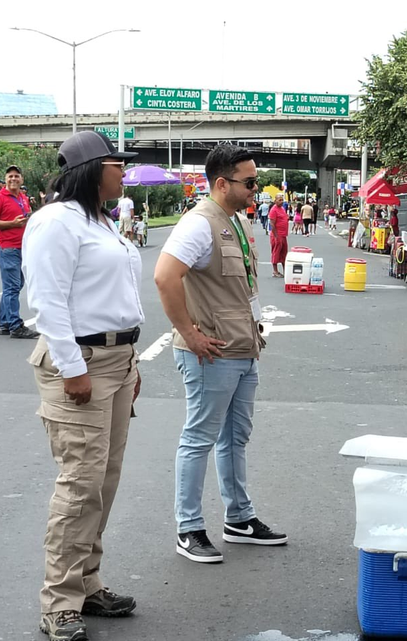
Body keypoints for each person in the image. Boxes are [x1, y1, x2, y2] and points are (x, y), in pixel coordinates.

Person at [22, 130, 143, 641]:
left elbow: (114, 293)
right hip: (81, 362)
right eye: (118, 164)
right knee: (79, 486)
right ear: (91, 169)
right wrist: (73, 368)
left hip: (115, 360)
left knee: (104, 480)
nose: (124, 172)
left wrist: (131, 362)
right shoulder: (55, 222)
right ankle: (60, 603)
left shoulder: (102, 222)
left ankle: (88, 584)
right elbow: (47, 303)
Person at [154, 145, 286, 565]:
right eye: (249, 182)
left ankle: (239, 519)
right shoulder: (198, 224)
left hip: (243, 348)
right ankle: (189, 527)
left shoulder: (237, 222)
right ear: (221, 183)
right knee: (199, 439)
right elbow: (164, 277)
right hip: (211, 352)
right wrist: (189, 334)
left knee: (235, 439)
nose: (256, 190)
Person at [0, 165, 40, 339]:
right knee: (12, 288)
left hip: (21, 248)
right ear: (5, 180)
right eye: (10, 176)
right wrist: (12, 224)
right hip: (7, 248)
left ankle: (5, 323)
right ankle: (16, 326)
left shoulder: (22, 197)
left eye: (16, 176)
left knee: (13, 287)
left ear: (22, 179)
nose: (13, 179)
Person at [268, 194, 288, 278]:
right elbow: (272, 224)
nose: (281, 201)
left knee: (284, 253)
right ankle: (275, 271)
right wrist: (276, 236)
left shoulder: (282, 208)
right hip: (277, 235)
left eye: (282, 200)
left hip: (283, 235)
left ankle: (285, 271)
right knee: (276, 252)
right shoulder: (273, 210)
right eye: (279, 200)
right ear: (275, 200)